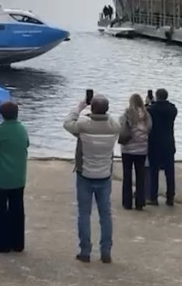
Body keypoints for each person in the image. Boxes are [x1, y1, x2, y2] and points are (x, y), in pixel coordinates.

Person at [63, 94, 122, 264]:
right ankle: (106, 251)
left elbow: (67, 123)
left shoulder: (84, 125)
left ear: (92, 109)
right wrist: (103, 113)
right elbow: (114, 120)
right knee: (105, 214)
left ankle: (85, 251)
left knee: (84, 214)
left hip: (85, 175)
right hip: (104, 175)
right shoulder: (114, 127)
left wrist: (80, 107)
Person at [0, 101, 29, 254]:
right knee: (17, 209)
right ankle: (17, 243)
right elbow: (27, 144)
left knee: (0, 210)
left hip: (0, 176)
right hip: (18, 175)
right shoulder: (22, 128)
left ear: (2, 114)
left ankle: (1, 245)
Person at [119, 93, 152, 210]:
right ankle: (140, 202)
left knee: (127, 175)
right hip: (142, 149)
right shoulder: (147, 115)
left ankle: (127, 202)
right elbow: (149, 128)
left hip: (127, 149)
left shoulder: (127, 114)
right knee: (140, 176)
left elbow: (120, 126)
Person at [146, 87, 177, 206]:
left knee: (154, 171)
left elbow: (145, 113)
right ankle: (170, 197)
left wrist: (149, 103)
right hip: (168, 142)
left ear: (157, 96)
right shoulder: (172, 109)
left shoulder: (152, 109)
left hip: (155, 143)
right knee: (169, 172)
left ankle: (153, 197)